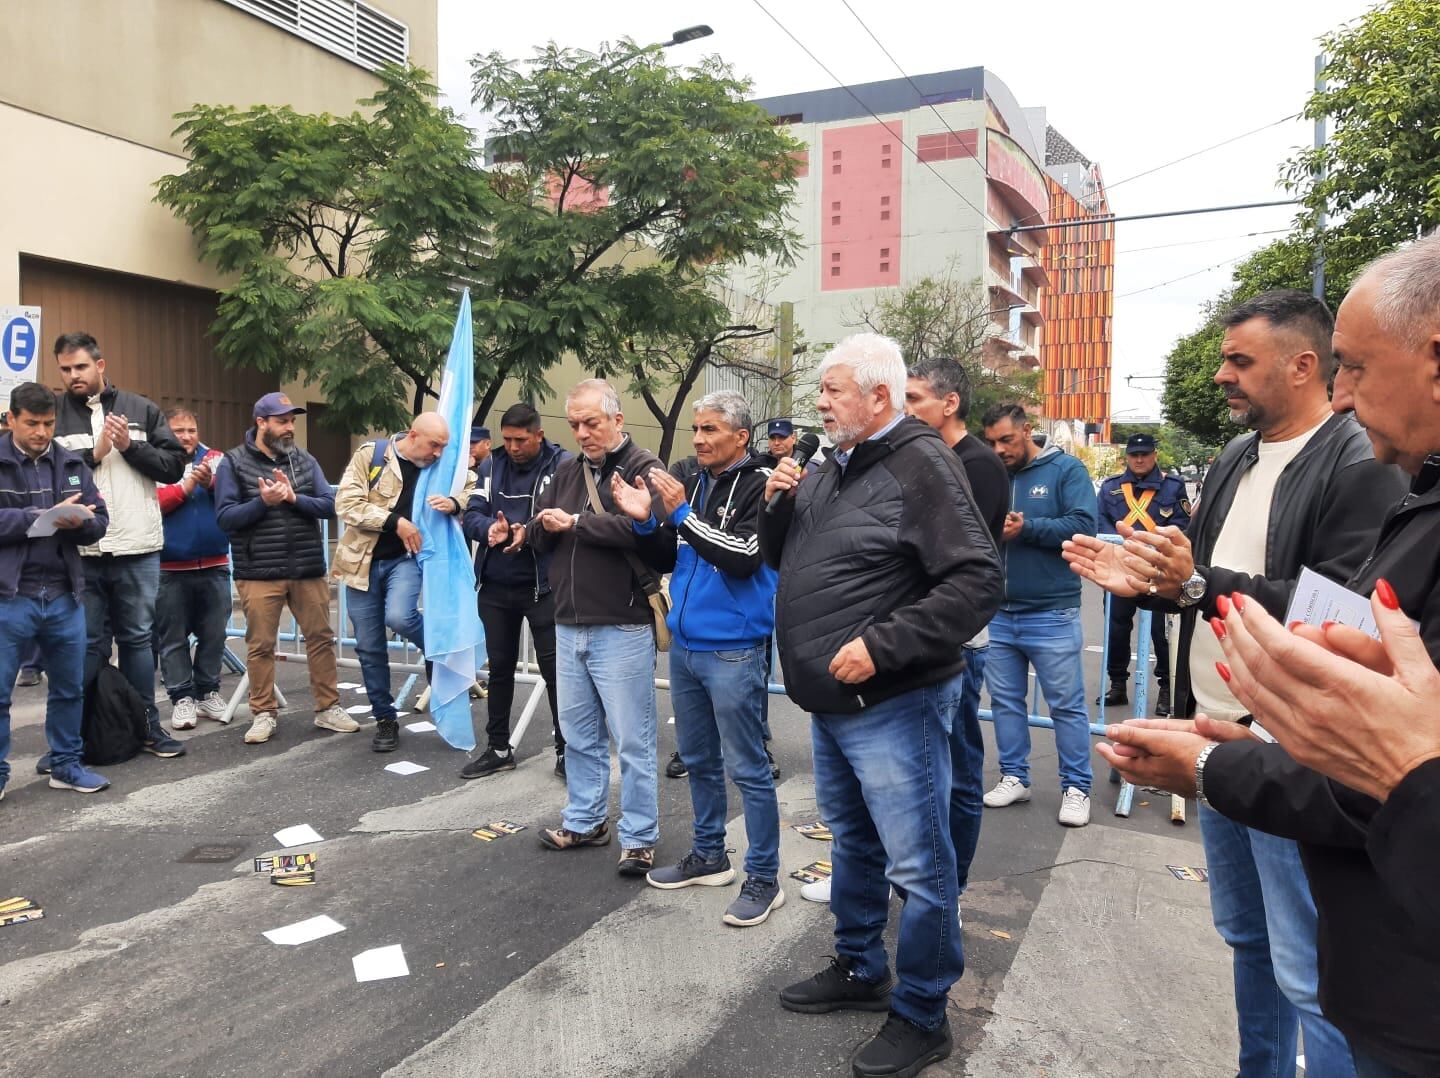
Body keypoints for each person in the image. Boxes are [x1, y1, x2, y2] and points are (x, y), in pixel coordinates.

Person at [1099, 240, 1440, 1078]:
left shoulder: (1363, 460)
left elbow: (1345, 615)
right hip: (1228, 738)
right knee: (1248, 940)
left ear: (1301, 365)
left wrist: (1204, 582)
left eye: (1238, 361)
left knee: (1309, 972)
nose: (1222, 376)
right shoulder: (1234, 459)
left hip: (1302, 759)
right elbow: (1205, 591)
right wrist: (1159, 583)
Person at [760, 334, 1001, 1078]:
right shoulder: (837, 463)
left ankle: (924, 1013)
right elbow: (785, 561)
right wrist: (777, 507)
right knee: (856, 845)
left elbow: (975, 579)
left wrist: (884, 645)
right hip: (834, 702)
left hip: (896, 698)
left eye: (833, 390)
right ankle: (861, 968)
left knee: (921, 866)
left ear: (879, 397)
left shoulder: (922, 463)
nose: (821, 403)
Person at [614, 391, 783, 927]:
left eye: (711, 430)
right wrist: (647, 522)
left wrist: (682, 511)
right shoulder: (699, 482)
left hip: (733, 648)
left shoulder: (762, 486)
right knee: (699, 761)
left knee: (749, 768)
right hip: (686, 646)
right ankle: (709, 855)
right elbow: (673, 553)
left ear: (741, 436)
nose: (700, 440)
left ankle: (765, 875)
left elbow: (741, 558)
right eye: (696, 430)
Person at [525, 379, 676, 877]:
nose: (583, 433)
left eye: (592, 422)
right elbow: (540, 530)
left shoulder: (644, 468)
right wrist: (532, 529)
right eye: (574, 425)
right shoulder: (564, 469)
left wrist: (576, 524)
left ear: (617, 420)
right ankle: (586, 820)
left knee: (633, 738)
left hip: (622, 624)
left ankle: (639, 837)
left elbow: (656, 540)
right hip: (568, 622)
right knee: (579, 734)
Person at [52, 332, 188, 759]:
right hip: (81, 553)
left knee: (137, 642)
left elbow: (172, 467)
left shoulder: (141, 408)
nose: (74, 376)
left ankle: (148, 728)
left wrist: (130, 446)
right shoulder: (52, 414)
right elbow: (49, 476)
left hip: (138, 547)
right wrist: (95, 453)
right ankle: (73, 740)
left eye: (81, 367)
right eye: (65, 369)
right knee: (86, 648)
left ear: (100, 365)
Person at [905, 356, 1008, 909]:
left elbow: (959, 560)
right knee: (914, 773)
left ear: (949, 403)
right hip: (911, 637)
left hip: (958, 643)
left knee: (959, 771)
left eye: (915, 399)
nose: (905, 410)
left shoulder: (980, 466)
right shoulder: (917, 456)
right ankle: (908, 879)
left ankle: (952, 888)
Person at [979, 402, 1098, 826]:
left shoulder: (1065, 470)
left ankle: (1077, 787)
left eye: (1006, 440)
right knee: (1006, 703)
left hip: (1052, 612)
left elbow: (1084, 524)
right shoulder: (991, 474)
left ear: (1028, 431)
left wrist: (1026, 528)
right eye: (991, 442)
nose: (998, 450)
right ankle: (1015, 777)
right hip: (999, 612)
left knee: (1066, 706)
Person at [214, 393, 353, 745]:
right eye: (282, 420)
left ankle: (328, 708)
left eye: (292, 420)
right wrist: (262, 503)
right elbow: (226, 518)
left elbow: (329, 504)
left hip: (306, 567)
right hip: (259, 571)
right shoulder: (233, 463)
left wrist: (293, 499)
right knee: (260, 644)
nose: (290, 427)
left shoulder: (304, 460)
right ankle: (263, 713)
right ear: (261, 422)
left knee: (321, 639)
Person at [332, 413, 471, 753]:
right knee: (368, 647)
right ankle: (385, 718)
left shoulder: (438, 464)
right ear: (413, 435)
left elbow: (469, 485)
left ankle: (441, 655)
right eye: (433, 445)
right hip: (360, 565)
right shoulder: (372, 455)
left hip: (404, 561)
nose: (438, 453)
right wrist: (395, 522)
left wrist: (455, 503)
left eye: (442, 447)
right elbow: (346, 504)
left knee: (400, 617)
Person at [0, 382, 112, 798]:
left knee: (69, 689)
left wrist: (82, 522)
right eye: (32, 423)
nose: (42, 432)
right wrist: (35, 517)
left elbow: (101, 520)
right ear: (10, 419)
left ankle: (66, 765)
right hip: (9, 596)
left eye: (48, 423)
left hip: (65, 595)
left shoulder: (70, 463)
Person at [459, 403, 569, 779]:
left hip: (544, 586)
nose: (514, 446)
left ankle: (566, 751)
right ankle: (498, 747)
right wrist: (487, 528)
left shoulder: (562, 465)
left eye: (521, 439)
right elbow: (471, 514)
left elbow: (564, 516)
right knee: (500, 668)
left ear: (538, 434)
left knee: (557, 674)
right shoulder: (491, 465)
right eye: (507, 439)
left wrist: (528, 529)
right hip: (495, 585)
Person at [1095, 432, 1191, 713]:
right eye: (1134, 455)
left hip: (1158, 570)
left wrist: (1149, 550)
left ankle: (1165, 688)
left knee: (1161, 633)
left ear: (1154, 455)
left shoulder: (1172, 487)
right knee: (1116, 628)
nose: (1139, 459)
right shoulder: (1111, 487)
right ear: (1127, 457)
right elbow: (1101, 524)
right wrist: (1125, 550)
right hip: (1121, 568)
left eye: (1145, 454)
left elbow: (1181, 525)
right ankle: (1117, 683)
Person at [154, 409, 232, 730]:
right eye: (179, 430)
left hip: (214, 563)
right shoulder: (155, 461)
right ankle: (181, 697)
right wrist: (186, 487)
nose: (186, 436)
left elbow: (234, 496)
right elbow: (152, 503)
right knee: (173, 638)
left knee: (214, 633)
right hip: (170, 565)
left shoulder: (216, 458)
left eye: (191, 429)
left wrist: (212, 484)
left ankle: (208, 691)